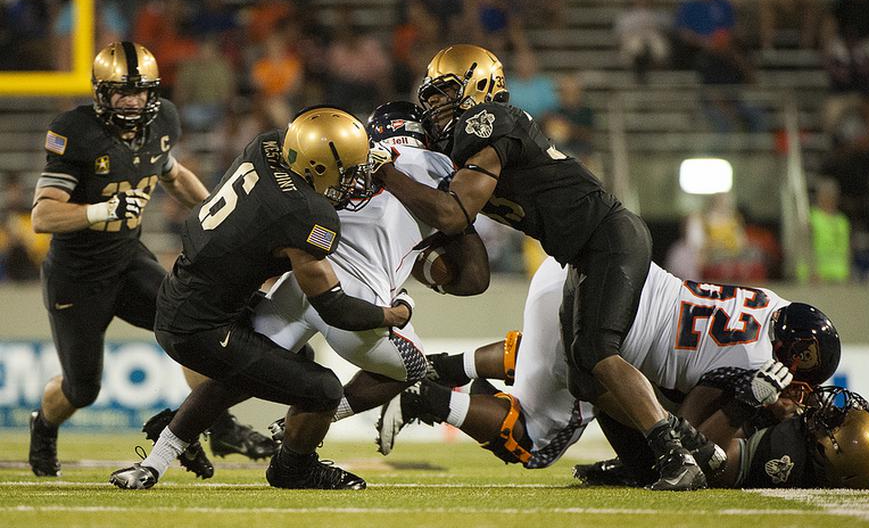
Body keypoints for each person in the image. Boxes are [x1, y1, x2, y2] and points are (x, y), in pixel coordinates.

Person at [373, 44, 705, 490]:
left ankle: (677, 457)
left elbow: (453, 214)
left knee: (596, 354)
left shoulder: (487, 120)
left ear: (480, 86)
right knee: (584, 377)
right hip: (583, 251)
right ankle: (682, 447)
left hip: (607, 237)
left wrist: (388, 176)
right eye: (430, 97)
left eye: (445, 92)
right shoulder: (462, 141)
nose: (435, 105)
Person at [109, 106, 414, 491]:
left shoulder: (268, 144)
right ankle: (295, 471)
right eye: (347, 170)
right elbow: (336, 309)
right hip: (201, 325)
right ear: (317, 167)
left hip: (188, 295)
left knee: (275, 360)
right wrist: (394, 313)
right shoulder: (306, 213)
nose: (353, 180)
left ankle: (158, 457)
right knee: (324, 390)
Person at [28, 41, 274, 479]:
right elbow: (42, 214)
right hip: (77, 277)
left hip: (127, 259)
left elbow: (172, 174)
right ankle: (44, 428)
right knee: (81, 389)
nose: (132, 101)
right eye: (122, 92)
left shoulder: (163, 122)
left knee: (191, 329)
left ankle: (213, 426)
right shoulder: (76, 132)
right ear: (101, 93)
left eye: (140, 92)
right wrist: (100, 211)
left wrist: (218, 213)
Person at [378, 257, 841, 478]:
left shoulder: (773, 304)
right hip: (602, 318)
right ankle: (429, 398)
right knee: (535, 442)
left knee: (550, 361)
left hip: (580, 276)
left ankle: (442, 366)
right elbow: (684, 434)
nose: (798, 394)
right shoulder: (756, 361)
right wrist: (746, 407)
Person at [251, 101, 489, 427]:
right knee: (414, 366)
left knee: (240, 368)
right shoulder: (439, 165)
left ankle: (172, 441)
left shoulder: (344, 152)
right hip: (359, 301)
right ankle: (316, 423)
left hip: (301, 279)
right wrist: (429, 260)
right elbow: (475, 279)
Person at [576, 386, 869, 490]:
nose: (826, 409)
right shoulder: (803, 441)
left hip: (663, 456)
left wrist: (748, 401)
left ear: (834, 452)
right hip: (675, 438)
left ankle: (630, 466)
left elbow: (708, 458)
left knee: (598, 380)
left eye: (834, 420)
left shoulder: (787, 455)